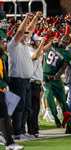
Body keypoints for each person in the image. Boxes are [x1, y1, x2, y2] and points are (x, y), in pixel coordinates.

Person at [7, 12, 41, 140]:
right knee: (19, 107)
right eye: (24, 34)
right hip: (17, 80)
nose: (27, 35)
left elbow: (28, 30)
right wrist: (27, 17)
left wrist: (36, 18)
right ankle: (17, 132)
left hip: (26, 80)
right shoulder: (13, 45)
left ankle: (21, 130)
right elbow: (21, 32)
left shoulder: (25, 45)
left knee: (27, 107)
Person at [0, 43, 23, 150]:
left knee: (4, 116)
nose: (4, 44)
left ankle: (9, 142)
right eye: (2, 42)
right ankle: (9, 143)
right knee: (4, 116)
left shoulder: (2, 56)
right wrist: (3, 85)